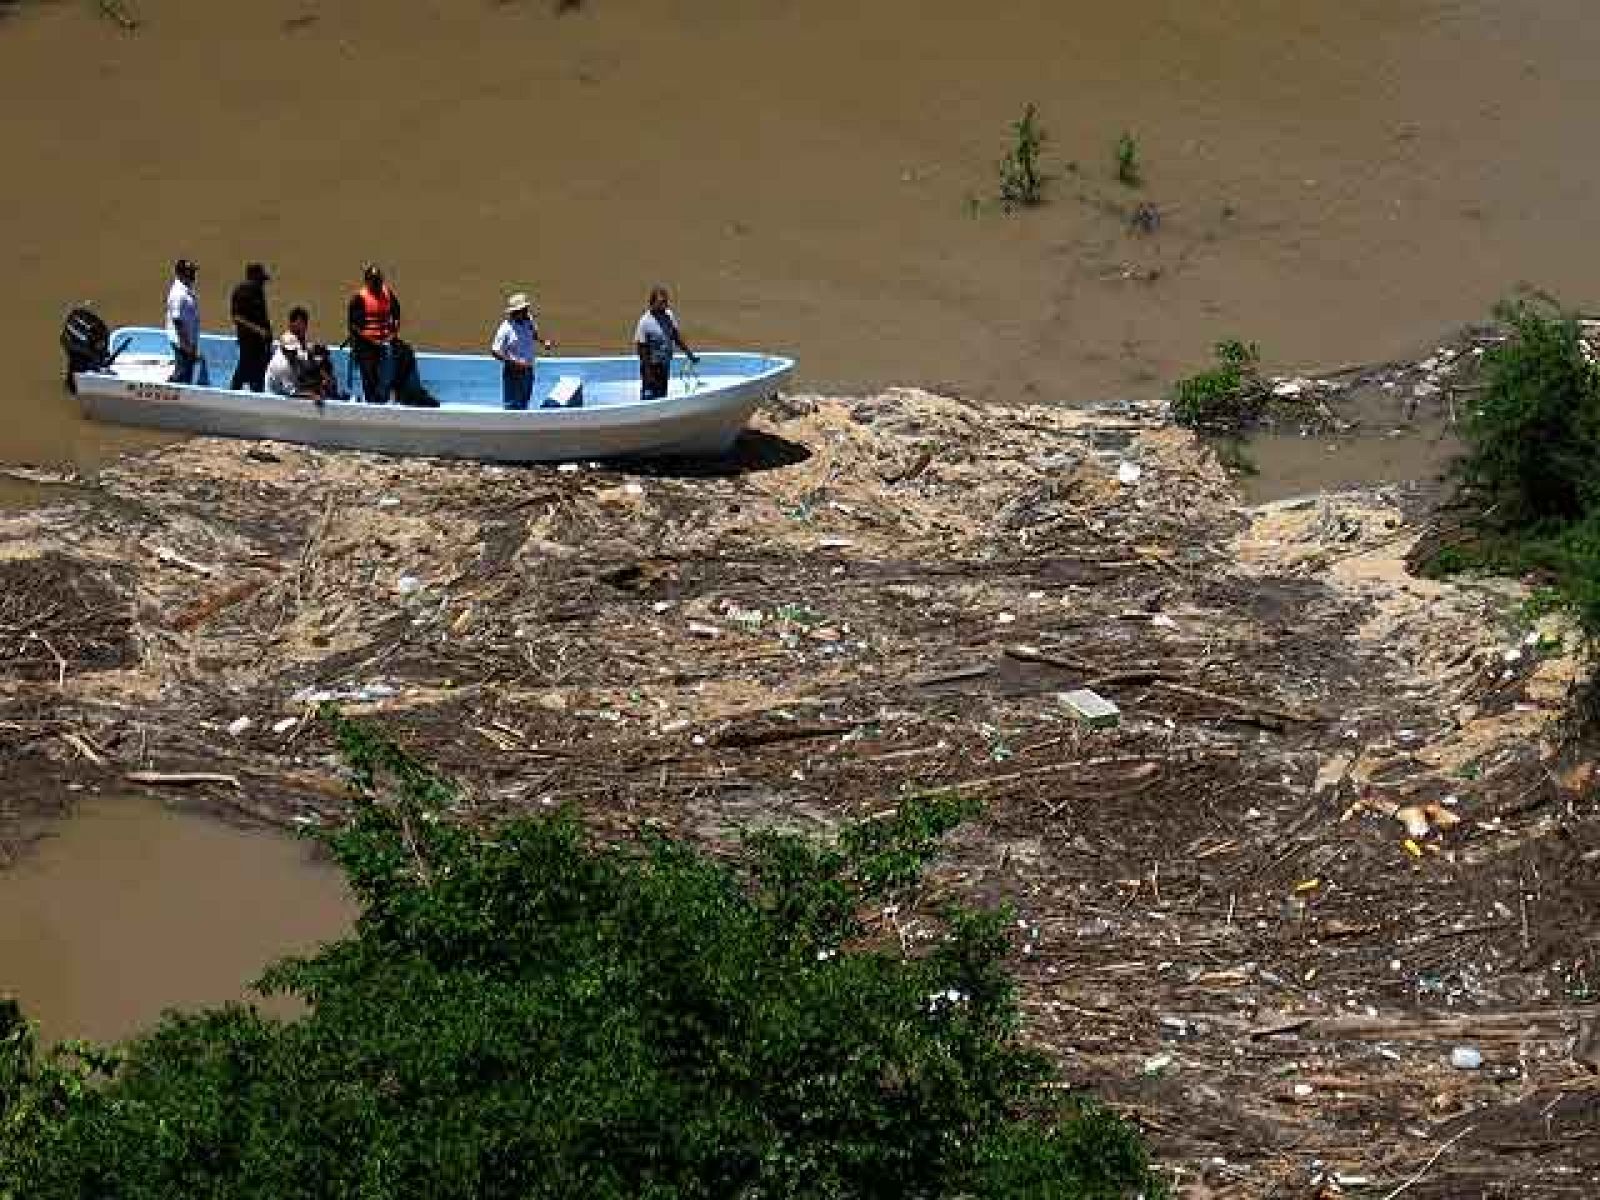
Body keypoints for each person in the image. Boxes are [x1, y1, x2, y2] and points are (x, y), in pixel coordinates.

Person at [490, 292, 553, 411]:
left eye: (526, 309)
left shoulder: (528, 320)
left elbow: (533, 333)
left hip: (528, 369)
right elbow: (495, 351)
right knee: (511, 404)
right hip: (513, 372)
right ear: (515, 312)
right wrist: (515, 363)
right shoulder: (505, 328)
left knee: (525, 400)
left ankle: (522, 422)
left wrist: (543, 341)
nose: (526, 311)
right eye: (523, 309)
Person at [347, 263, 400, 403]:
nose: (377, 284)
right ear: (367, 281)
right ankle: (371, 402)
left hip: (385, 341)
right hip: (366, 345)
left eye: (379, 281)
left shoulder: (388, 294)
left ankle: (390, 396)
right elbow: (355, 327)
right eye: (374, 281)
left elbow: (396, 314)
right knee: (370, 375)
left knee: (403, 357)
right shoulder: (359, 299)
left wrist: (393, 332)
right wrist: (373, 341)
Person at [634, 285, 697, 400]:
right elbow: (641, 350)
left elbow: (675, 337)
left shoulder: (668, 316)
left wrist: (689, 354)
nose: (664, 305)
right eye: (661, 302)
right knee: (649, 397)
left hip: (664, 364)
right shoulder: (645, 322)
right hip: (651, 367)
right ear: (652, 303)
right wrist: (648, 375)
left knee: (662, 395)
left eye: (665, 302)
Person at [228, 262, 273, 391]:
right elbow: (237, 317)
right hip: (248, 341)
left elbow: (262, 316)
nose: (262, 283)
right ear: (252, 277)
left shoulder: (258, 291)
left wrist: (267, 335)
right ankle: (233, 393)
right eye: (260, 279)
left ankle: (256, 394)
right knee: (244, 368)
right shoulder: (241, 292)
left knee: (258, 372)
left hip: (260, 342)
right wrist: (258, 330)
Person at [165, 258, 202, 384]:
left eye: (192, 272)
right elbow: (177, 321)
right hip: (182, 342)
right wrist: (187, 346)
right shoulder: (178, 294)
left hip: (187, 341)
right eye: (189, 273)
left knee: (185, 372)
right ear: (180, 274)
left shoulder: (186, 290)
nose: (193, 275)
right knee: (182, 373)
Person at [265, 331, 305, 397]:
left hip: (291, 384)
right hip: (276, 398)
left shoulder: (295, 353)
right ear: (282, 349)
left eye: (294, 350)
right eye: (289, 350)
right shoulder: (281, 365)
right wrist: (313, 394)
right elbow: (293, 392)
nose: (292, 352)